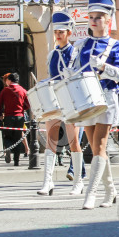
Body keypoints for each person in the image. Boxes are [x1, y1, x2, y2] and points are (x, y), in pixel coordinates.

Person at [64, 0, 119, 209]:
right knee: (93, 145)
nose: (93, 20)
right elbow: (73, 70)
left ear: (108, 20)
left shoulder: (116, 46)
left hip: (106, 97)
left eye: (99, 17)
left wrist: (102, 66)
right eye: (91, 16)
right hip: (86, 98)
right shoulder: (80, 45)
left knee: (99, 145)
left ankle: (91, 192)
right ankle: (110, 189)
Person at [38, 10, 85, 196]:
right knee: (51, 141)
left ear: (69, 33)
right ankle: (48, 181)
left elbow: (80, 76)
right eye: (56, 31)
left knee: (74, 142)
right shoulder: (51, 55)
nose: (58, 35)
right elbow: (51, 76)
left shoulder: (75, 53)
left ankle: (78, 182)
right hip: (55, 100)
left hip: (72, 100)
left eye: (62, 32)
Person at [0, 72, 29, 166]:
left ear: (10, 80)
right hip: (19, 116)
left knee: (7, 136)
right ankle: (16, 161)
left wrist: (0, 113)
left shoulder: (5, 90)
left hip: (8, 116)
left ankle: (7, 148)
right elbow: (28, 104)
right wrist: (22, 109)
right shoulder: (23, 90)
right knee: (18, 139)